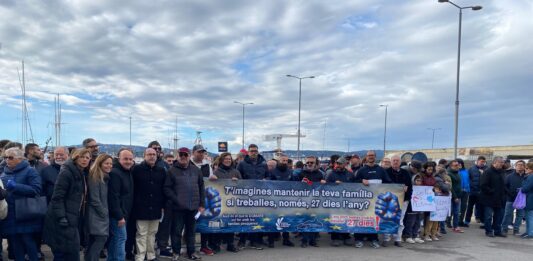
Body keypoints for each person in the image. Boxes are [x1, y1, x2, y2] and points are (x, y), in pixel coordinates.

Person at [44, 148, 91, 261]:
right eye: (82, 157)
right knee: (64, 252)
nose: (84, 160)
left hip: (73, 217)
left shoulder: (81, 172)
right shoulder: (67, 172)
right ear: (75, 157)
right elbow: (57, 197)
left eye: (87, 157)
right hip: (62, 219)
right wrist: (61, 217)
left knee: (70, 251)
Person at [0, 148, 42, 261]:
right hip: (10, 214)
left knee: (28, 242)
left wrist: (16, 187)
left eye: (10, 157)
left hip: (25, 213)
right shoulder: (4, 173)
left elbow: (36, 190)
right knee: (15, 243)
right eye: (5, 157)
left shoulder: (30, 171)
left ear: (20, 158)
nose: (7, 160)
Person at [164, 147, 205, 260]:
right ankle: (176, 252)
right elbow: (167, 188)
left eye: (185, 155)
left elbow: (201, 187)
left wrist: (202, 204)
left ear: (189, 155)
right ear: (177, 156)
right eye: (181, 154)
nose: (183, 156)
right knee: (176, 231)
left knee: (191, 232)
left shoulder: (196, 170)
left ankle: (191, 252)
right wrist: (176, 199)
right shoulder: (171, 170)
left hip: (193, 208)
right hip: (178, 208)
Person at [130, 148, 167, 261]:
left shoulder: (161, 171)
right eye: (149, 154)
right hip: (141, 207)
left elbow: (163, 189)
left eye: (154, 154)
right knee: (141, 233)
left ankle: (151, 255)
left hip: (156, 207)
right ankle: (140, 256)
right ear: (144, 156)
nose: (152, 156)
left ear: (157, 156)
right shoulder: (136, 169)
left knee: (152, 233)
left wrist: (163, 206)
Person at [353, 150, 391, 248]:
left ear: (375, 157)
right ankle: (358, 239)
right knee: (361, 219)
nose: (371, 157)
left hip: (376, 200)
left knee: (374, 219)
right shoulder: (361, 170)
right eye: (369, 155)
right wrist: (361, 180)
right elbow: (353, 183)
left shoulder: (381, 170)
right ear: (366, 157)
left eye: (372, 155)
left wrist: (400, 187)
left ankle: (374, 239)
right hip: (363, 200)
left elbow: (388, 182)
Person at [236, 144, 268, 250]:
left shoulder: (263, 164)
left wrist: (266, 180)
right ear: (248, 152)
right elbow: (237, 176)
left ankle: (254, 242)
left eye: (255, 151)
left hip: (259, 195)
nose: (254, 152)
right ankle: (242, 240)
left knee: (256, 218)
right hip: (246, 195)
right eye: (251, 151)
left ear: (258, 151)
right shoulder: (242, 164)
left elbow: (268, 176)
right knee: (245, 218)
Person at [107, 148, 135, 261]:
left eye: (130, 159)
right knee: (120, 240)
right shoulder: (115, 173)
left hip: (123, 214)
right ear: (119, 159)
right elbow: (113, 197)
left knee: (115, 241)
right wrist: (119, 216)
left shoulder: (127, 172)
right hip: (118, 216)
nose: (128, 161)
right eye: (125, 159)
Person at [85, 154, 113, 261]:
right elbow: (94, 199)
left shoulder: (104, 177)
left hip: (98, 216)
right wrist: (104, 213)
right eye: (106, 163)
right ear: (99, 163)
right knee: (100, 240)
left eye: (111, 164)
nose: (109, 166)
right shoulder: (95, 177)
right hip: (96, 216)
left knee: (93, 243)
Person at [189, 144, 215, 256]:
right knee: (190, 224)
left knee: (204, 222)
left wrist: (213, 178)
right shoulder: (188, 163)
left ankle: (204, 246)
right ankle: (191, 248)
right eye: (199, 152)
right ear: (193, 152)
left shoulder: (207, 165)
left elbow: (210, 179)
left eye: (202, 152)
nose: (201, 154)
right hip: (189, 199)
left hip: (203, 199)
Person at [212, 152, 241, 252]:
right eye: (225, 159)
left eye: (229, 159)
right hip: (220, 201)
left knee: (230, 223)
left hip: (232, 202)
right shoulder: (216, 172)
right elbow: (211, 185)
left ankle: (230, 244)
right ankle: (216, 244)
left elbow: (243, 186)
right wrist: (212, 179)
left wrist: (237, 181)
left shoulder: (236, 172)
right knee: (219, 223)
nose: (228, 160)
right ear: (221, 160)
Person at [323, 156, 354, 247]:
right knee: (335, 219)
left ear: (345, 164)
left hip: (346, 201)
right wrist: (333, 184)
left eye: (340, 163)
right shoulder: (330, 173)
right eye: (337, 163)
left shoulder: (350, 174)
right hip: (334, 201)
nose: (338, 165)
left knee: (346, 218)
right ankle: (335, 237)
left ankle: (346, 236)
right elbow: (325, 186)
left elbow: (355, 186)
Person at [383, 155, 412, 247]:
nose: (395, 162)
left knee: (400, 220)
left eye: (397, 160)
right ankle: (386, 238)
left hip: (403, 200)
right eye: (394, 160)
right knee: (387, 218)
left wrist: (407, 190)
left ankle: (398, 239)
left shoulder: (406, 173)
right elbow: (383, 186)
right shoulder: (386, 172)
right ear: (391, 162)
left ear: (400, 162)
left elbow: (410, 186)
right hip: (389, 200)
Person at [267, 154, 295, 248]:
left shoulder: (290, 172)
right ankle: (271, 240)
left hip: (286, 200)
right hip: (274, 200)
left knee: (286, 219)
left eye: (286, 161)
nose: (285, 162)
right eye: (283, 160)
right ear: (279, 161)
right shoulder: (272, 171)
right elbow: (268, 185)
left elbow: (294, 185)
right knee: (273, 220)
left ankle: (286, 240)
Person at [299, 156, 324, 248]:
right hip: (304, 200)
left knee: (314, 220)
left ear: (315, 163)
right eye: (308, 162)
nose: (309, 164)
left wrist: (323, 183)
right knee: (305, 220)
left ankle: (313, 240)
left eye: (311, 162)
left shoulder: (320, 174)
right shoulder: (301, 173)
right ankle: (304, 240)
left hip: (315, 201)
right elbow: (294, 187)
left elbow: (323, 187)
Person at [480, 156, 507, 237]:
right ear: (495, 162)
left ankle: (497, 231)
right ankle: (488, 231)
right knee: (488, 216)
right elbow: (483, 185)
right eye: (501, 162)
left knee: (498, 216)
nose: (502, 164)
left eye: (503, 162)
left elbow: (503, 184)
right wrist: (492, 191)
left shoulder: (502, 172)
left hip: (500, 198)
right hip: (489, 198)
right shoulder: (487, 171)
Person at [501, 160, 526, 235]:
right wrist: (510, 194)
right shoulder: (509, 176)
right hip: (511, 199)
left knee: (520, 215)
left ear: (524, 167)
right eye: (518, 165)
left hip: (521, 200)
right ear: (515, 166)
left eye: (522, 165)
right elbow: (505, 186)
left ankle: (516, 229)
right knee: (507, 214)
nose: (520, 166)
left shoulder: (527, 177)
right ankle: (504, 229)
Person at [465, 156, 487, 225]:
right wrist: (472, 188)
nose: (482, 163)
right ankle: (467, 221)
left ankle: (482, 221)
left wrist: (483, 173)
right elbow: (468, 179)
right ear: (477, 161)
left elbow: (487, 180)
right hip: (473, 192)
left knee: (481, 207)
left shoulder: (486, 169)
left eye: (483, 162)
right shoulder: (471, 169)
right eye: (481, 161)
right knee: (470, 207)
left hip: (482, 192)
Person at [404, 174, 425, 244]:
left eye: (420, 181)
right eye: (417, 180)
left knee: (417, 222)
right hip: (411, 208)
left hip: (419, 208)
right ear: (413, 181)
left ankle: (415, 236)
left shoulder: (423, 189)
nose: (419, 182)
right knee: (410, 222)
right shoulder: (411, 188)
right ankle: (408, 236)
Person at [421, 161, 439, 241]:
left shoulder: (433, 178)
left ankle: (432, 234)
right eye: (429, 169)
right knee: (426, 217)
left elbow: (435, 186)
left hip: (431, 199)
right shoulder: (422, 177)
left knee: (432, 217)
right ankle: (426, 234)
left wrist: (435, 189)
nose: (430, 171)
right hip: (423, 200)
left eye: (431, 170)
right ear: (425, 169)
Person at [447, 160, 464, 233]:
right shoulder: (449, 174)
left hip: (458, 196)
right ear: (451, 166)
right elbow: (450, 187)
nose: (458, 166)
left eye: (458, 165)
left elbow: (458, 185)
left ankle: (456, 226)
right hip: (452, 196)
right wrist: (455, 197)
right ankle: (445, 225)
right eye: (455, 165)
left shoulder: (458, 173)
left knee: (457, 212)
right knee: (449, 212)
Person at [521, 162, 533, 239]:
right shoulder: (529, 176)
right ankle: (528, 232)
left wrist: (521, 189)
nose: (525, 169)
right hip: (529, 198)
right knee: (528, 217)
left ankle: (530, 233)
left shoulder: (531, 177)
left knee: (529, 217)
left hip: (530, 199)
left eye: (527, 168)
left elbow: (526, 188)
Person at [456, 159, 470, 227]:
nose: (459, 165)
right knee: (457, 207)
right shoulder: (455, 172)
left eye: (460, 163)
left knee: (464, 207)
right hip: (458, 191)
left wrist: (468, 188)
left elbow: (469, 180)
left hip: (466, 191)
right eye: (458, 164)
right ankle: (453, 221)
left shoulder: (466, 171)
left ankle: (461, 221)